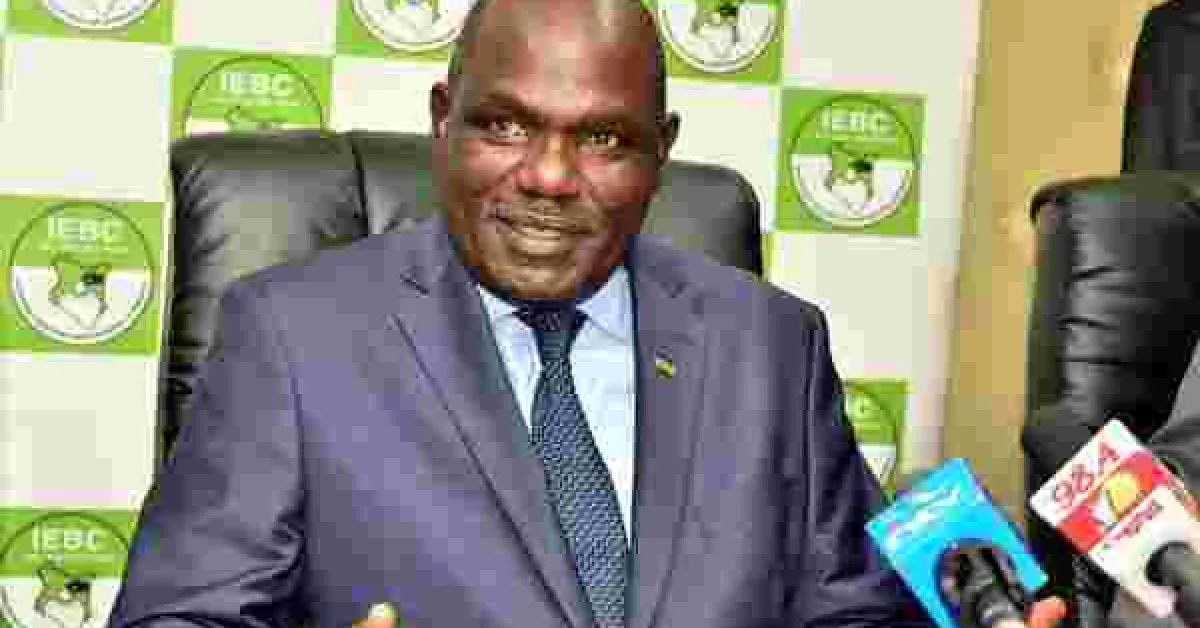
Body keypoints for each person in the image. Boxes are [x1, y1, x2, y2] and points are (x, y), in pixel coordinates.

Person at [105, 0, 1066, 626]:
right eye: (505, 124)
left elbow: (850, 613)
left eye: (603, 138)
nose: (550, 177)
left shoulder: (771, 346)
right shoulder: (292, 337)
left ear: (660, 151)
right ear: (443, 120)